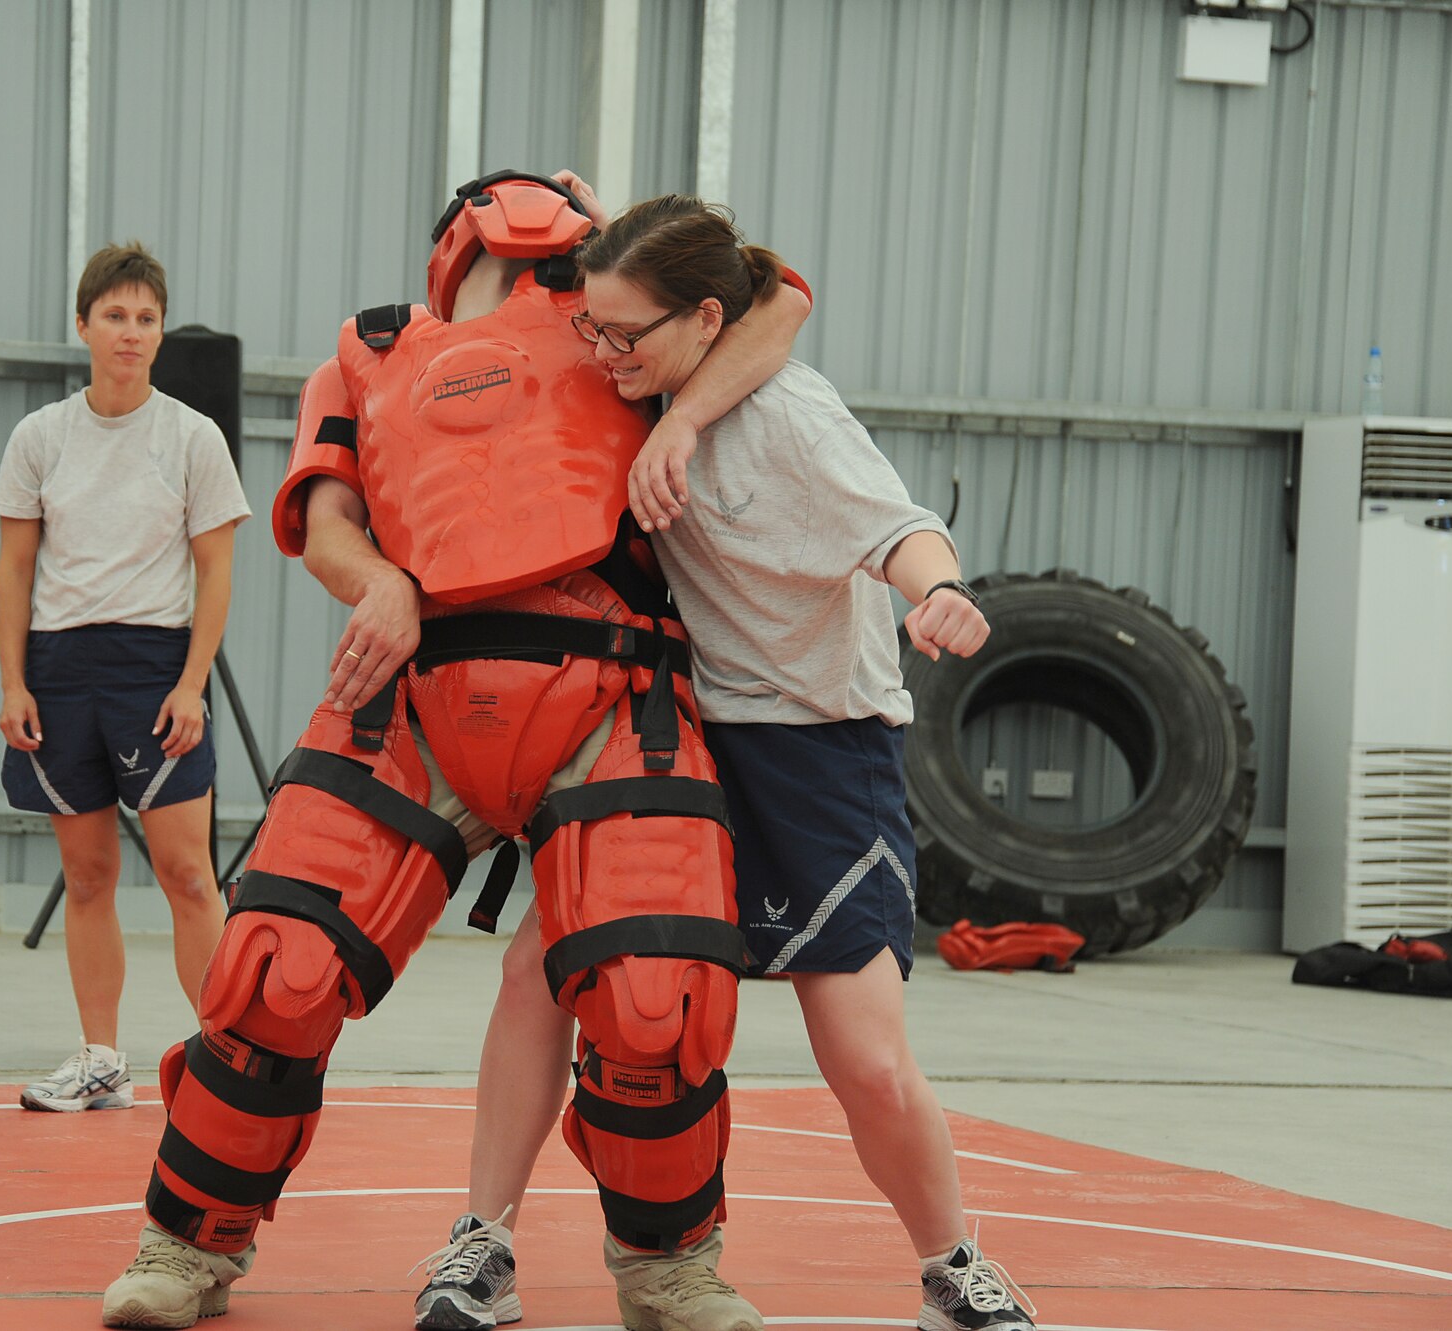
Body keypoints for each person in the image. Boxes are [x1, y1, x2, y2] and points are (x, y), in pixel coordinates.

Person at [99, 172, 810, 1331]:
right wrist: (377, 579)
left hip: (608, 680)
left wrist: (676, 416)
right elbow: (323, 519)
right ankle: (186, 1244)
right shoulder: (367, 352)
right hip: (410, 685)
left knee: (652, 998)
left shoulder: (626, 336)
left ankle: (669, 1265)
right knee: (275, 967)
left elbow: (773, 299)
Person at [415, 195, 1039, 1331]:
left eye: (623, 334)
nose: (598, 354)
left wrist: (940, 591)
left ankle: (952, 1264)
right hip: (674, 732)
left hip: (816, 753)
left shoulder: (790, 417)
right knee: (537, 975)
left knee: (864, 1058)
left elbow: (899, 526)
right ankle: (481, 1241)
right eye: (589, 329)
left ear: (704, 321)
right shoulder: (625, 379)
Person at [0, 242, 250, 1114]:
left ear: (161, 330)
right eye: (114, 315)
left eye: (145, 318)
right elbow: (14, 570)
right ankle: (102, 1058)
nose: (130, 332)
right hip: (60, 670)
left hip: (155, 668)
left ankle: (226, 1062)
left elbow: (216, 572)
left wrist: (191, 683)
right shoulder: (40, 436)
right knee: (89, 874)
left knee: (187, 874)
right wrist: (14, 682)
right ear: (84, 325)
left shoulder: (191, 437)